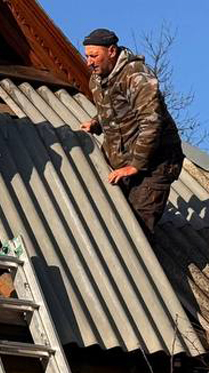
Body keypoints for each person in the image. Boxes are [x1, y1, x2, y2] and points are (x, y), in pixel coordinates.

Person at [79, 28, 185, 234]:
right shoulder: (98, 78)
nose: (89, 62)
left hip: (155, 163)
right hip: (123, 160)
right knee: (109, 215)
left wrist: (136, 166)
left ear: (111, 51)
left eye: (94, 56)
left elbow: (151, 122)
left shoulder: (136, 76)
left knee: (137, 231)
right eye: (86, 56)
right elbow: (115, 109)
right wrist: (96, 123)